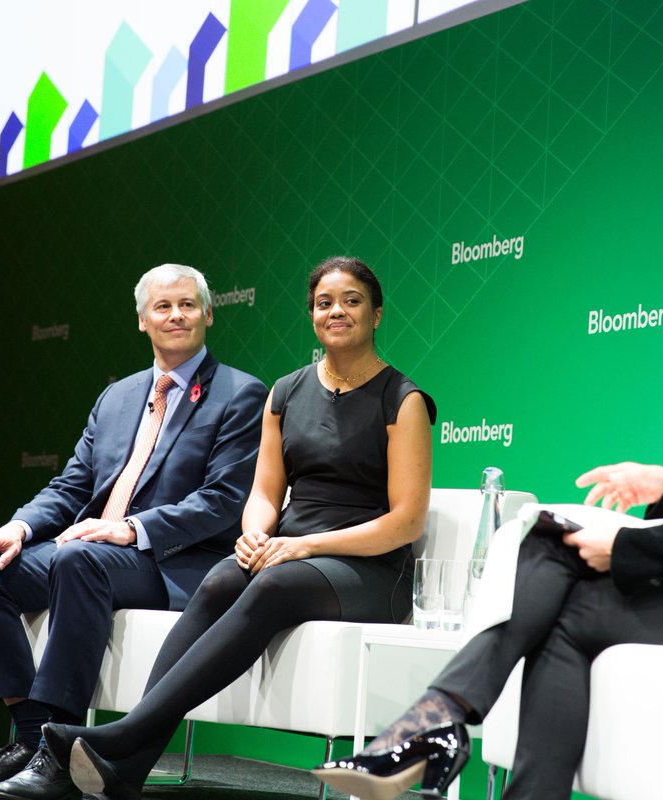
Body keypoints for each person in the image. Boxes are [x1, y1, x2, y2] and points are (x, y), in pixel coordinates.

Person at [313, 188, 663, 800]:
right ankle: (437, 723)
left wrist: (627, 548)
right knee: (549, 545)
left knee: (567, 608)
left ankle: (434, 724)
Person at [36, 256, 438, 799]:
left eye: (351, 301)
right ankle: (126, 767)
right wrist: (255, 532)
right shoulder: (285, 393)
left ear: (377, 314)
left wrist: (303, 546)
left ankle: (123, 735)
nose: (336, 311)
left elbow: (405, 522)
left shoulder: (403, 400)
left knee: (273, 583)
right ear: (312, 315)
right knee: (225, 576)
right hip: (293, 552)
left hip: (369, 569)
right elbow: (265, 494)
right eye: (324, 303)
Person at [0, 264, 267, 800]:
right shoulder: (117, 397)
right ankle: (28, 738)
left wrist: (132, 529)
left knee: (79, 558)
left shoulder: (240, 394)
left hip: (169, 561)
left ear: (209, 313)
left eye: (187, 305)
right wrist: (17, 527)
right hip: (95, 555)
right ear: (142, 321)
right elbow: (71, 485)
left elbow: (223, 502)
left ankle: (62, 755)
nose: (176, 315)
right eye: (162, 307)